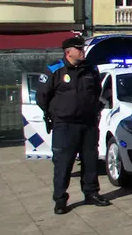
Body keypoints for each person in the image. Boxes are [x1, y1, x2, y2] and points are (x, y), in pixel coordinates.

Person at [36, 37, 112, 215]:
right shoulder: (54, 70)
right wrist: (58, 112)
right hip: (65, 125)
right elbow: (42, 97)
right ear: (68, 51)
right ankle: (60, 200)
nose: (82, 51)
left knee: (90, 161)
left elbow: (96, 92)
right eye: (78, 49)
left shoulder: (90, 69)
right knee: (63, 164)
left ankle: (91, 193)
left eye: (82, 48)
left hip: (88, 123)